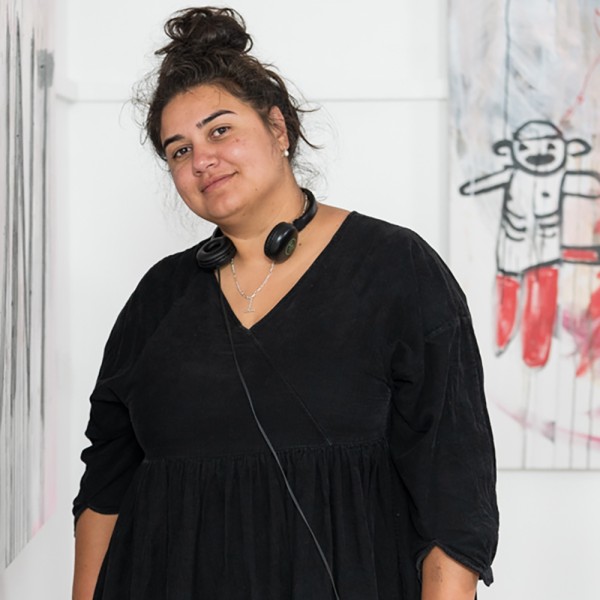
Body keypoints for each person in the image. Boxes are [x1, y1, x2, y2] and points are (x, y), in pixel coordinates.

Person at [72, 7, 499, 600]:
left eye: (219, 131)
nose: (201, 160)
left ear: (278, 128)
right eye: (178, 150)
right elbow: (106, 483)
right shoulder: (158, 297)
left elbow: (454, 489)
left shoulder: (396, 268)